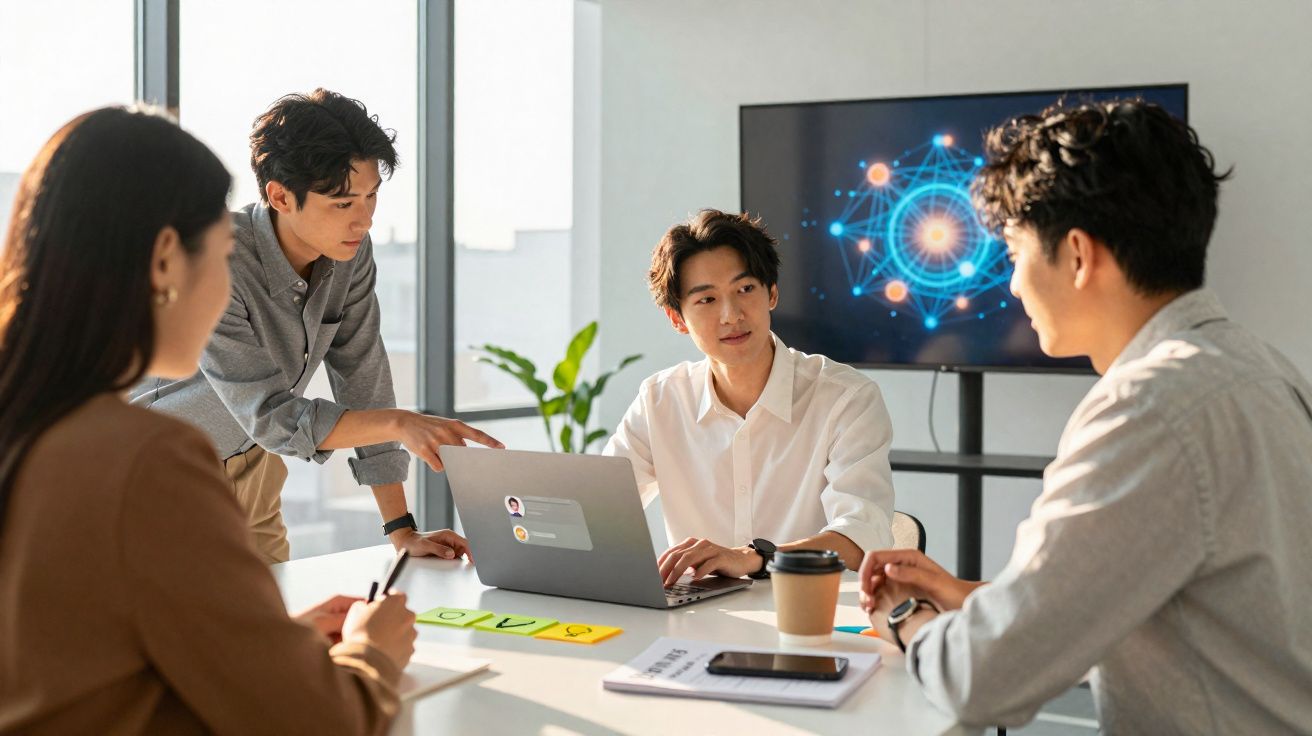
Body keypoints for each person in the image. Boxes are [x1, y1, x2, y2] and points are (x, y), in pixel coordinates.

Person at [858, 99, 1312, 733]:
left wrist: (905, 618)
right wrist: (976, 600)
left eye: (1014, 254)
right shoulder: (1261, 369)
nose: (1013, 286)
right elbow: (1163, 604)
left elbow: (980, 681)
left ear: (1077, 254)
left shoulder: (1148, 407)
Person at [0, 107, 417, 734]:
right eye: (221, 256)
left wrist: (269, 647)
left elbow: (86, 667)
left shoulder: (32, 426)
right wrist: (371, 653)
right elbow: (319, 722)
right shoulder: (147, 461)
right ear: (167, 261)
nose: (229, 290)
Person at [132, 89, 501, 563]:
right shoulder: (216, 257)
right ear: (280, 196)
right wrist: (401, 423)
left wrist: (400, 528)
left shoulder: (350, 255)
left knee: (272, 628)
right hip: (164, 472)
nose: (364, 219)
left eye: (371, 197)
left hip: (255, 471)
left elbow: (363, 376)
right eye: (343, 204)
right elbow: (269, 414)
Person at [604, 209, 895, 586]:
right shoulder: (660, 400)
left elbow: (862, 535)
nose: (731, 315)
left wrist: (753, 558)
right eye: (706, 300)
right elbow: (598, 509)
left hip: (814, 619)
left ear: (771, 292)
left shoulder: (847, 398)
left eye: (745, 290)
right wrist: (503, 482)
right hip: (699, 624)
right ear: (677, 318)